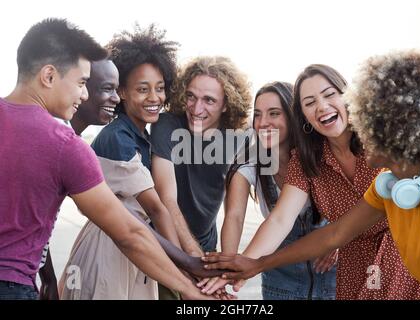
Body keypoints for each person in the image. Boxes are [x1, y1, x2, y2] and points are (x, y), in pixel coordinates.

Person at [0, 17, 214, 300]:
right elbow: (128, 233)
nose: (84, 93)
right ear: (49, 76)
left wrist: (49, 277)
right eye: (81, 82)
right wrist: (189, 288)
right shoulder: (66, 145)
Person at [203, 63, 420, 299]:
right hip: (353, 270)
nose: (322, 107)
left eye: (329, 95)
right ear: (302, 115)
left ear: (347, 97)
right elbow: (280, 220)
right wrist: (242, 266)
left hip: (407, 262)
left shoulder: (381, 138)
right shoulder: (306, 160)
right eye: (309, 102)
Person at [205, 82, 336, 299]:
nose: (263, 123)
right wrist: (230, 268)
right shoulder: (249, 162)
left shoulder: (319, 156)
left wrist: (340, 241)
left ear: (293, 116)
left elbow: (356, 203)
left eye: (274, 113)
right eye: (257, 115)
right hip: (280, 280)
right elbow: (235, 217)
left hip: (331, 276)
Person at [150, 56, 251, 298]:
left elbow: (234, 213)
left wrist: (223, 270)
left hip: (205, 248)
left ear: (226, 104)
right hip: (164, 243)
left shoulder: (239, 138)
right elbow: (167, 199)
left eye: (209, 100)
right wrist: (195, 263)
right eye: (191, 96)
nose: (196, 109)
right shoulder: (167, 125)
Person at [38, 58, 120, 300]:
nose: (116, 98)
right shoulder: (57, 142)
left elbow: (39, 222)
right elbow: (127, 230)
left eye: (117, 89)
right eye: (107, 88)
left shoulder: (67, 138)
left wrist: (48, 279)